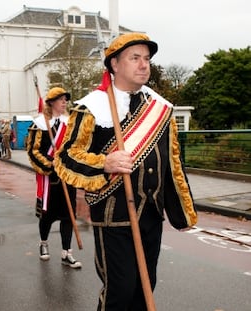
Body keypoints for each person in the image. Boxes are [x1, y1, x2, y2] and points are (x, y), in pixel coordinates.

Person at [54, 33, 198, 310]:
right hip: (114, 215)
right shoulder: (91, 108)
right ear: (115, 65)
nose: (144, 65)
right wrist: (104, 164)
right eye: (135, 58)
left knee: (145, 289)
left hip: (150, 215)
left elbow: (172, 164)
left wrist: (182, 211)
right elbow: (66, 157)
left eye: (147, 59)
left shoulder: (160, 108)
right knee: (120, 290)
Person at [27, 87, 81, 269]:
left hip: (67, 177)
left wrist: (70, 164)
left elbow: (75, 148)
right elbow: (33, 150)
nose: (64, 101)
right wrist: (51, 164)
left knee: (68, 217)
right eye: (60, 99)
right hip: (50, 179)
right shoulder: (40, 124)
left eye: (66, 99)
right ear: (51, 103)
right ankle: (44, 243)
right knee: (47, 216)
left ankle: (67, 252)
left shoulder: (70, 123)